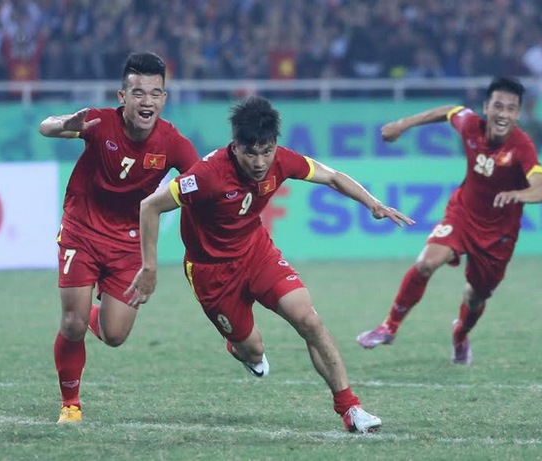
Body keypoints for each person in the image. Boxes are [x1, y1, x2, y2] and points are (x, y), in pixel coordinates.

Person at [125, 96, 415, 433]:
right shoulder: (206, 175)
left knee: (309, 320)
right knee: (253, 350)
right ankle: (240, 346)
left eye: (267, 150)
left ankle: (350, 409)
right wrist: (149, 267)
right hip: (212, 273)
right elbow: (150, 206)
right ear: (235, 147)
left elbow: (332, 177)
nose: (261, 162)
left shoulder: (282, 161)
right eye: (252, 153)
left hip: (256, 253)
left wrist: (373, 204)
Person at [38, 52, 199, 423]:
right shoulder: (98, 122)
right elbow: (45, 127)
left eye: (155, 94)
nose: (147, 102)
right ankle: (71, 405)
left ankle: (93, 313)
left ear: (164, 99)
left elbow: (202, 181)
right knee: (72, 324)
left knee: (114, 335)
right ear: (122, 97)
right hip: (82, 229)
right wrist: (65, 123)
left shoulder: (172, 142)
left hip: (128, 243)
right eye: (138, 93)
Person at [356, 77, 542, 364]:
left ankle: (460, 335)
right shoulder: (471, 126)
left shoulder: (522, 146)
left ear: (518, 114)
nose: (503, 114)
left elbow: (540, 189)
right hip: (463, 215)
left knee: (475, 297)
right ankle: (389, 327)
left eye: (511, 108)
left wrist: (517, 194)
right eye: (498, 106)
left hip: (499, 234)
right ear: (486, 107)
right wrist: (402, 125)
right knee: (425, 263)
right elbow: (448, 111)